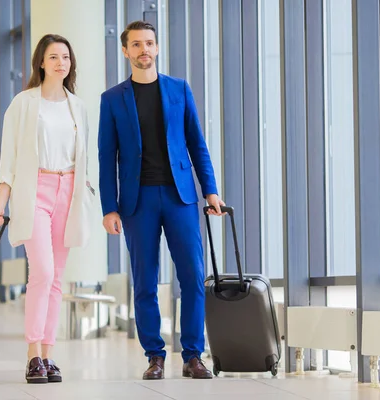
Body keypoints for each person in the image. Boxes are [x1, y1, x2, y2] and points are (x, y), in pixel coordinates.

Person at [98, 20, 224, 380]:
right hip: (137, 202)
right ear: (125, 51)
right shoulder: (112, 99)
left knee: (193, 277)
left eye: (149, 43)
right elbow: (107, 157)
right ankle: (154, 355)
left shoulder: (179, 90)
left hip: (180, 196)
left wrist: (210, 190)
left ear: (157, 47)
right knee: (145, 281)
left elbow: (197, 144)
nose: (144, 50)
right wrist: (109, 207)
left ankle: (193, 355)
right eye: (136, 45)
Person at [0, 34, 94, 384]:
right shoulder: (23, 103)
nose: (61, 62)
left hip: (68, 192)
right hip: (34, 190)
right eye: (53, 56)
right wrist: (0, 205)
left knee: (57, 278)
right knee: (43, 272)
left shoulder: (77, 106)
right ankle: (33, 353)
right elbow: (9, 160)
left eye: (66, 56)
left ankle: (48, 355)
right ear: (41, 62)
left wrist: (87, 193)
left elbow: (84, 161)